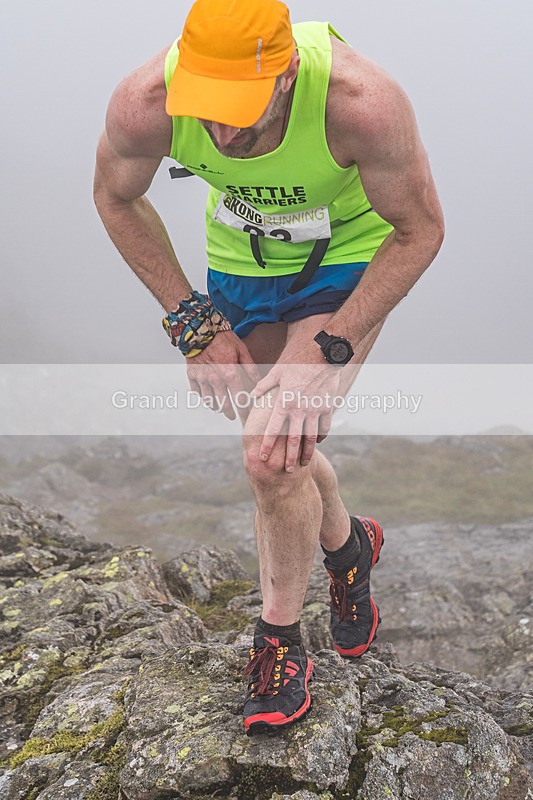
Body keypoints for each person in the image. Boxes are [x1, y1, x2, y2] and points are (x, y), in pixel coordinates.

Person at [94, 0, 444, 736]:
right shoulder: (146, 103)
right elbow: (114, 196)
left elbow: (419, 230)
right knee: (280, 444)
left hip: (349, 256)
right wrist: (191, 319)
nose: (220, 133)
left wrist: (331, 348)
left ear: (285, 75)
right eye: (206, 110)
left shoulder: (360, 104)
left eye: (241, 112)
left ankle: (279, 644)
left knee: (269, 452)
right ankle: (348, 549)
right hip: (242, 264)